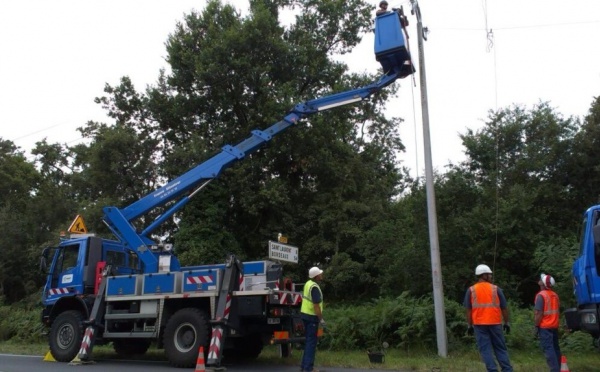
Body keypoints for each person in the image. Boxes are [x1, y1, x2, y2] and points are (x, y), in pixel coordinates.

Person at [464, 264, 513, 372]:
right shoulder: (496, 289)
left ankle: (492, 370)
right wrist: (507, 323)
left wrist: (469, 325)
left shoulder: (471, 290)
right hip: (495, 323)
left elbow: (468, 310)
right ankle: (507, 369)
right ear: (484, 275)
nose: (491, 276)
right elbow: (504, 308)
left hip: (479, 325)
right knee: (500, 348)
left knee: (485, 350)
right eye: (489, 275)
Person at [534, 273, 561, 372]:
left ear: (543, 283)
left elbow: (539, 313)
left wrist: (536, 325)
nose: (539, 281)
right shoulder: (555, 295)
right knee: (555, 348)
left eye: (541, 280)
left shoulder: (541, 296)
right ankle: (558, 368)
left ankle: (554, 370)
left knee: (549, 349)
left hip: (545, 327)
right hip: (554, 325)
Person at [300, 266, 325, 372]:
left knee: (308, 341)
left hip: (305, 315)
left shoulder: (307, 284)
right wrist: (321, 319)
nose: (321, 274)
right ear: (316, 276)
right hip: (311, 317)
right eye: (320, 273)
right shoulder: (314, 287)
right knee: (311, 343)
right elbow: (316, 306)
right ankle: (308, 368)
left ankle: (304, 366)